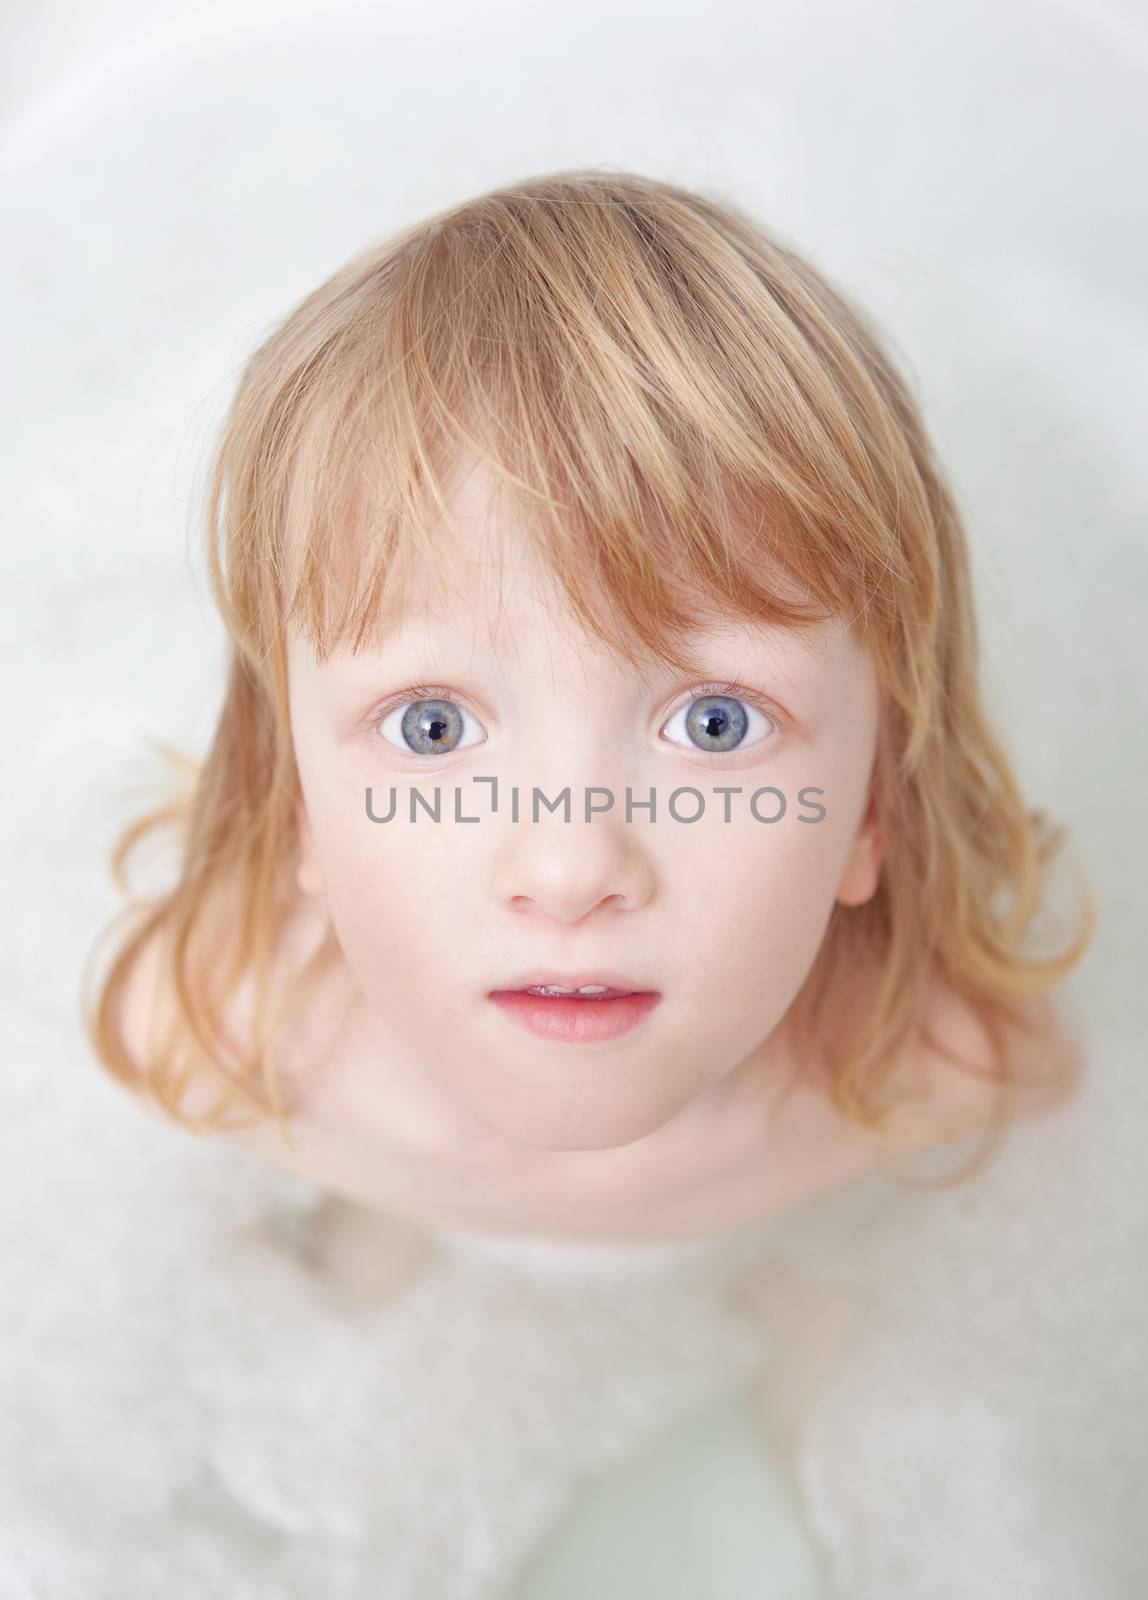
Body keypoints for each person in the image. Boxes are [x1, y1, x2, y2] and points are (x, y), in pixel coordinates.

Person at [80, 167, 1095, 1289]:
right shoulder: (223, 1035)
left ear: (872, 805)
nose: (568, 866)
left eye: (715, 723)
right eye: (429, 726)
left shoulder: (934, 1068)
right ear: (295, 804)